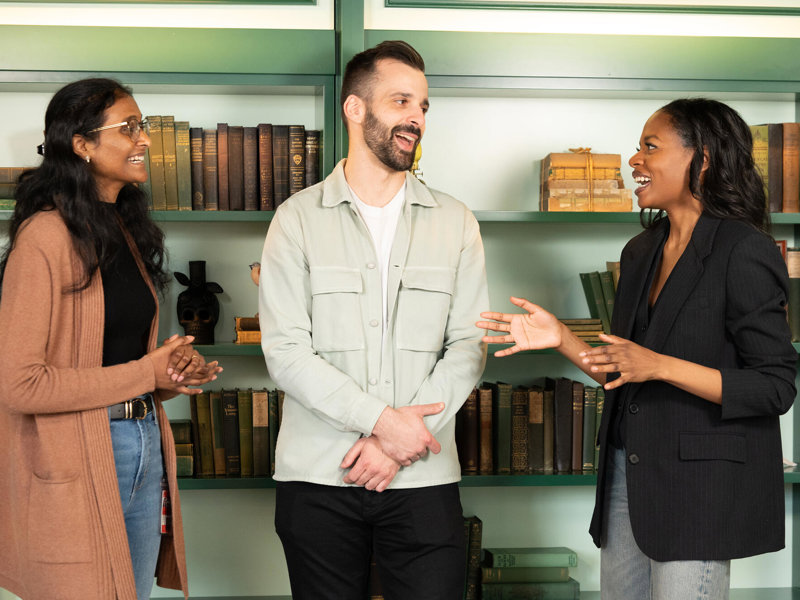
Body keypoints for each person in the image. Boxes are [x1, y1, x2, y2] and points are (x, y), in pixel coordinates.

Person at [477, 98, 796, 600]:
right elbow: (624, 372)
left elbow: (775, 387)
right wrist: (561, 336)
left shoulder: (743, 250)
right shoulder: (640, 250)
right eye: (637, 147)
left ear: (703, 158)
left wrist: (660, 366)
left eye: (651, 146)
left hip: (700, 492)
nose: (634, 160)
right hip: (627, 475)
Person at [258, 40, 488, 599]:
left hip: (424, 476)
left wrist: (395, 443)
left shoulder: (456, 222)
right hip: (317, 475)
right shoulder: (294, 220)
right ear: (355, 108)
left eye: (424, 106)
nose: (416, 118)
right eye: (402, 101)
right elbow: (286, 352)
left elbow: (467, 346)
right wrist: (385, 424)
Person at [0, 78, 222, 600]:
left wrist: (166, 376)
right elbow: (20, 385)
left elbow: (116, 358)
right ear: (81, 144)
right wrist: (145, 373)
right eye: (129, 128)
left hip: (143, 441)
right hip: (75, 453)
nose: (144, 139)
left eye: (142, 126)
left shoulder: (122, 229)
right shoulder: (45, 237)